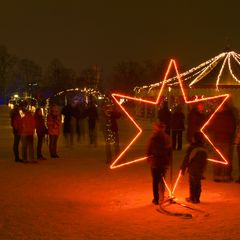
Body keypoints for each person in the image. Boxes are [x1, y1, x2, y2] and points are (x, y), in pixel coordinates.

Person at [208, 101, 237, 182]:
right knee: (226, 159)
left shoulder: (216, 115)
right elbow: (233, 128)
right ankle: (225, 176)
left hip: (218, 140)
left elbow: (211, 126)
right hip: (226, 140)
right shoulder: (230, 115)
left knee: (218, 159)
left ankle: (217, 176)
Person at [146, 122, 172, 205]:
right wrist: (169, 159)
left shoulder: (153, 138)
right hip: (163, 162)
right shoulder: (167, 138)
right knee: (162, 180)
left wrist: (149, 157)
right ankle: (161, 197)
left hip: (155, 162)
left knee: (155, 181)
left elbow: (149, 149)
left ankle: (156, 199)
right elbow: (169, 151)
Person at [181, 131, 207, 203]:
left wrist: (183, 168)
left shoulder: (192, 148)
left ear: (195, 139)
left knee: (192, 184)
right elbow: (204, 161)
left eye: (193, 138)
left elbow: (187, 159)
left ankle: (192, 198)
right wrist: (203, 170)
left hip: (192, 169)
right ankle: (197, 198)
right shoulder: (203, 148)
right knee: (198, 184)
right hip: (200, 169)